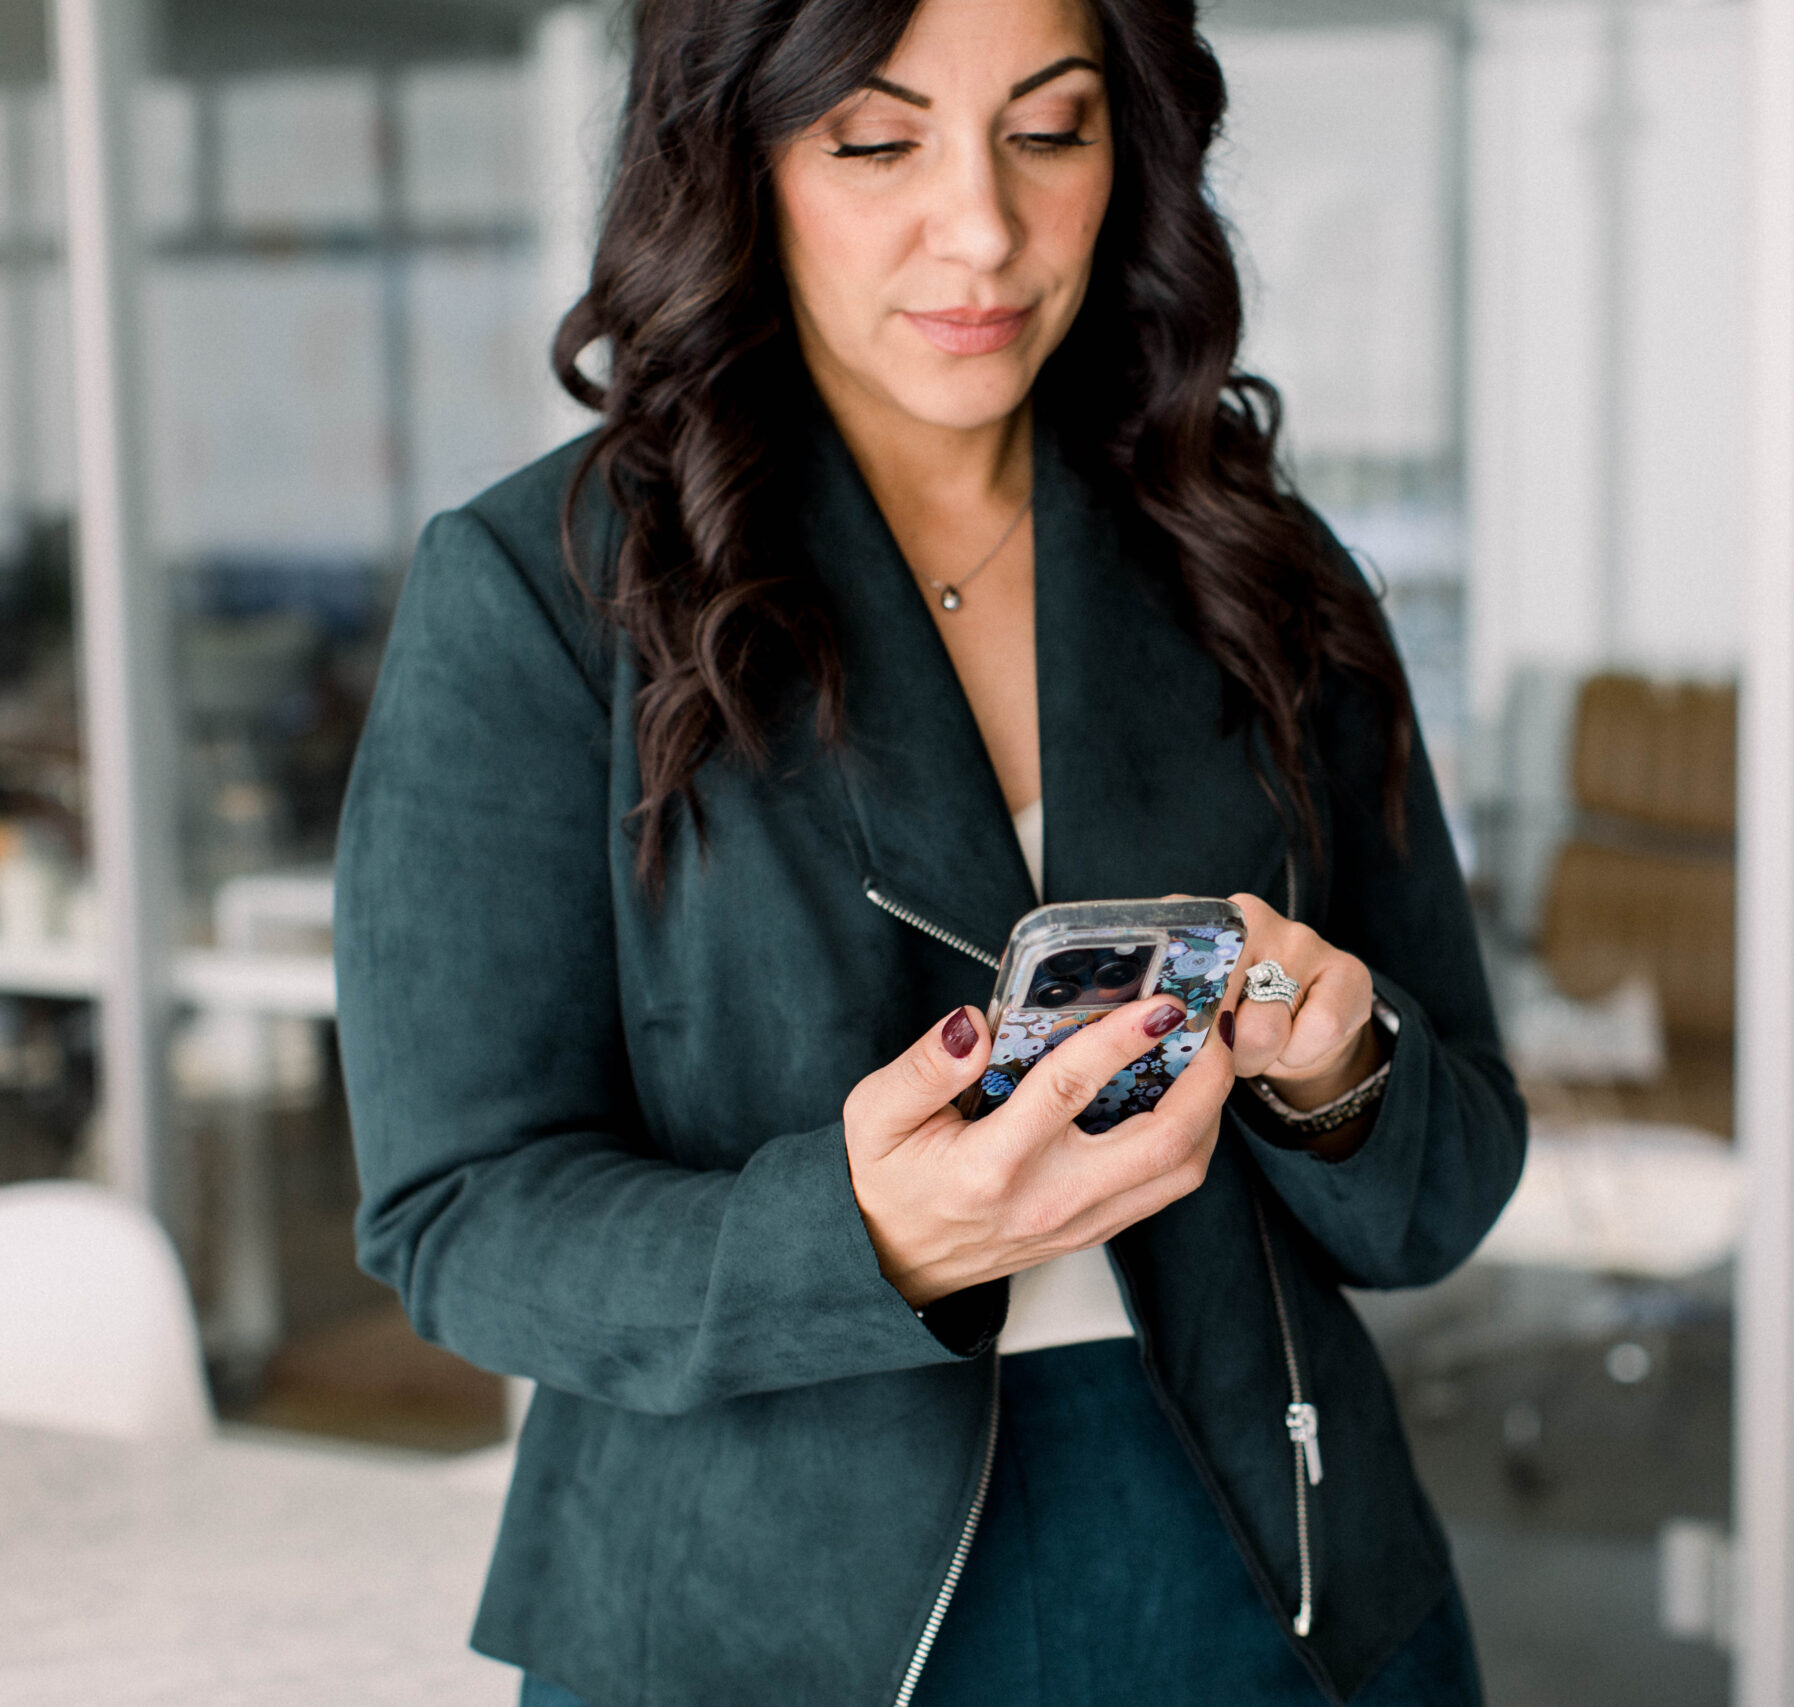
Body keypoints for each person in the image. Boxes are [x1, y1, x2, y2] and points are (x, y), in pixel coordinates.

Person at [335, 0, 1526, 1701]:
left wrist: (1338, 1068)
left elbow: (1454, 1175)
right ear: (737, 157)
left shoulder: (1257, 565)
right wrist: (866, 1241)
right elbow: (457, 1216)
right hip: (756, 1619)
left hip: (1271, 1578)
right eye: (877, 142)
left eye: (1048, 133)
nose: (980, 228)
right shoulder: (543, 593)